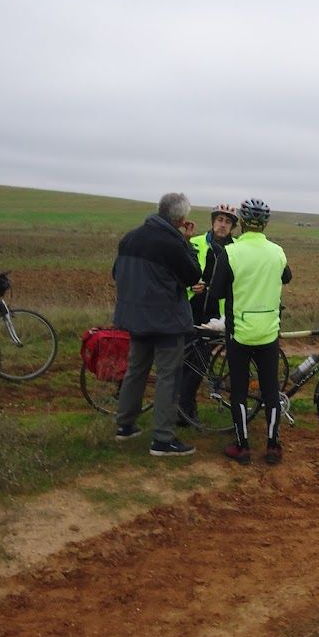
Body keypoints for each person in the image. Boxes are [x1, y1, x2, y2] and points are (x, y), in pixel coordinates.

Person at [112, 192, 202, 457]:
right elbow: (192, 275)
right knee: (168, 377)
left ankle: (125, 425)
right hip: (166, 322)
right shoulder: (172, 244)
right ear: (182, 218)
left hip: (134, 318)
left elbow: (116, 273)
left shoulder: (129, 238)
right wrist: (187, 243)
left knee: (135, 371)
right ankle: (162, 439)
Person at [206, 198, 292, 465]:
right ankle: (273, 445)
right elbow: (286, 277)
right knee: (270, 389)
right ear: (265, 223)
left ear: (241, 222)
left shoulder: (230, 253)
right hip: (268, 331)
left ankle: (242, 447)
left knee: (240, 390)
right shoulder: (277, 252)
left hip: (239, 332)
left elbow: (217, 292)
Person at [177, 203, 238, 426]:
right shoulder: (195, 242)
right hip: (191, 310)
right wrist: (189, 285)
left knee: (199, 363)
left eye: (228, 222)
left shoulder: (237, 248)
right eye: (220, 220)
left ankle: (183, 413)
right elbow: (179, 273)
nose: (223, 225)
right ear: (213, 222)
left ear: (232, 227)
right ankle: (186, 410)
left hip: (217, 315)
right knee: (186, 362)